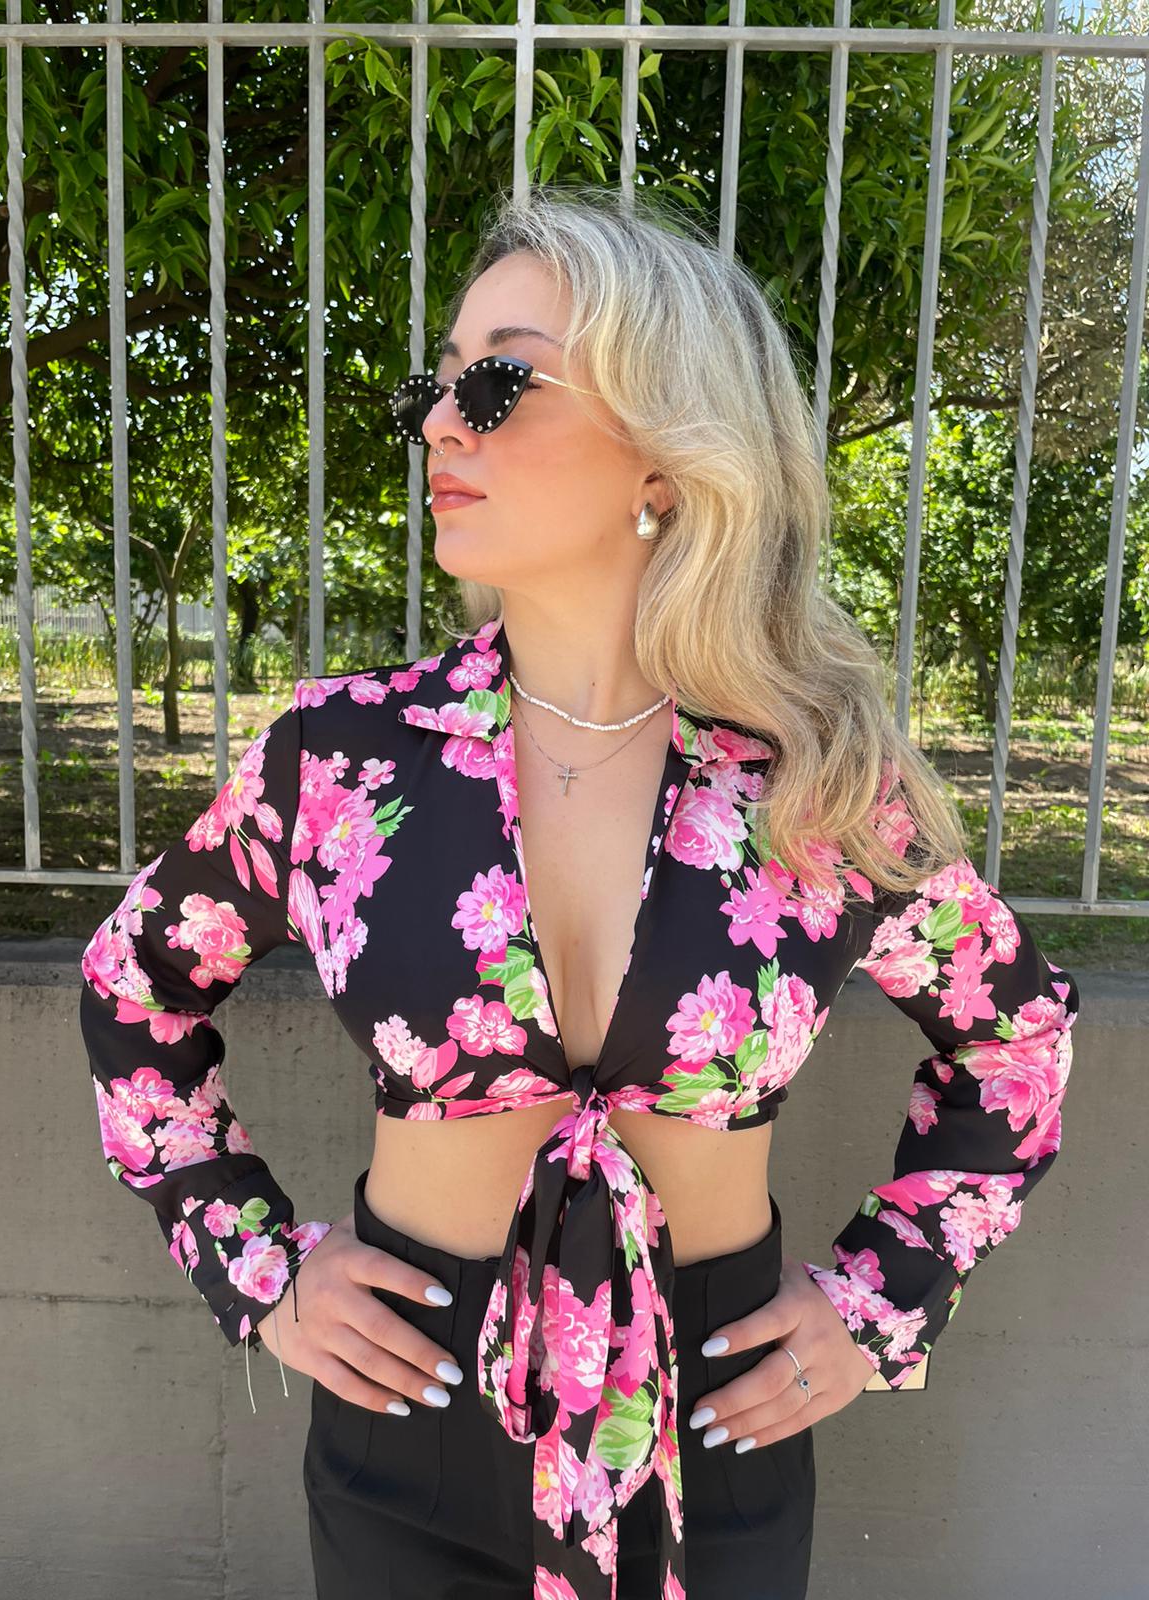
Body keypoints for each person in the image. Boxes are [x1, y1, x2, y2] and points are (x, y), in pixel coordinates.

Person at [78, 184, 1081, 1600]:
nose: (441, 424)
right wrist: (258, 1263)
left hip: (716, 1413)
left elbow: (1015, 1036)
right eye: (435, 387)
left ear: (665, 454)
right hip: (411, 1401)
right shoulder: (341, 758)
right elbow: (135, 986)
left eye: (499, 383)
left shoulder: (814, 784)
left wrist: (877, 1302)